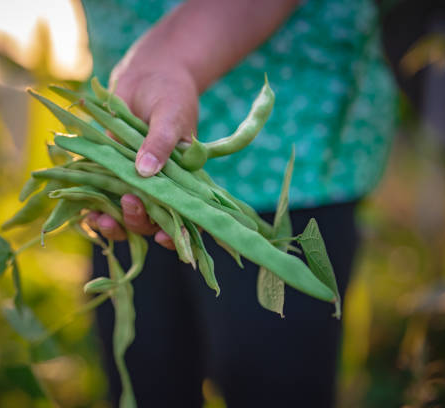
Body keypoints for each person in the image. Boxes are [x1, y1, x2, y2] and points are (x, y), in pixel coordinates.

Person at [80, 0, 397, 406]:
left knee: (273, 389)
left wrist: (169, 57)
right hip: (132, 143)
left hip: (288, 167)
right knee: (146, 385)